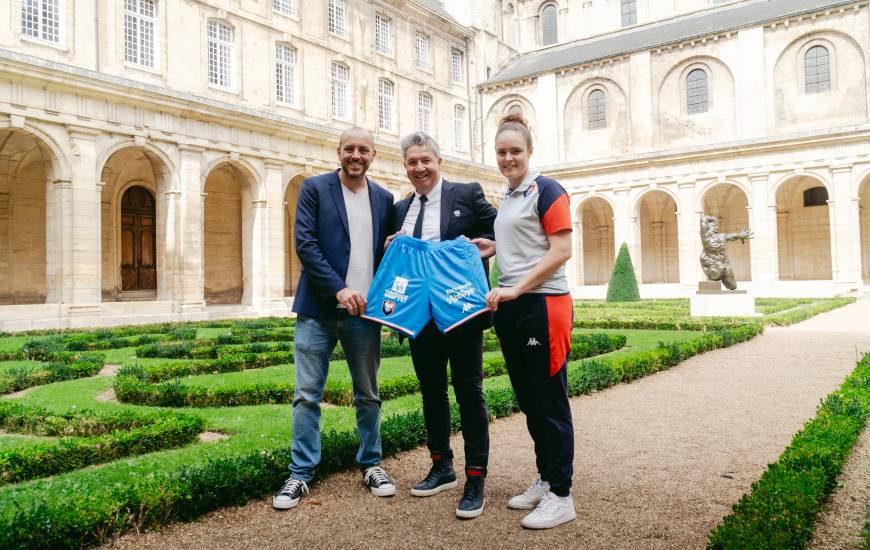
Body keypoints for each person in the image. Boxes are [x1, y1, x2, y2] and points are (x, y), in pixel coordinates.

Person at [272, 127, 396, 510]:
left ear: (373, 155)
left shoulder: (384, 198)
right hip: (319, 310)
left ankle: (371, 463)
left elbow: (390, 256)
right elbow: (305, 244)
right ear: (338, 151)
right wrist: (339, 289)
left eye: (363, 150)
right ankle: (300, 474)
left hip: (365, 315)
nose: (355, 155)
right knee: (306, 396)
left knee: (369, 395)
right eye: (349, 149)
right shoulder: (315, 188)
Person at [387, 132, 497, 519]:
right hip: (421, 317)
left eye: (425, 161)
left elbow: (503, 231)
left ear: (439, 161)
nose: (419, 168)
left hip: (462, 314)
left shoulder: (467, 194)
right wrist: (391, 248)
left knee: (470, 392)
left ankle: (476, 478)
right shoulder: (401, 209)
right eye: (412, 162)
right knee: (431, 391)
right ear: (406, 167)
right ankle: (441, 465)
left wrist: (491, 245)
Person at [475, 114, 576, 529]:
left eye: (515, 151)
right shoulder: (511, 195)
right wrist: (493, 246)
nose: (508, 158)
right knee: (530, 401)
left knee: (550, 402)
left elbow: (561, 249)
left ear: (529, 151)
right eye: (501, 152)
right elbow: (527, 242)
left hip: (543, 304)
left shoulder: (547, 189)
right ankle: (546, 478)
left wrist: (516, 288)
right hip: (513, 306)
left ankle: (562, 494)